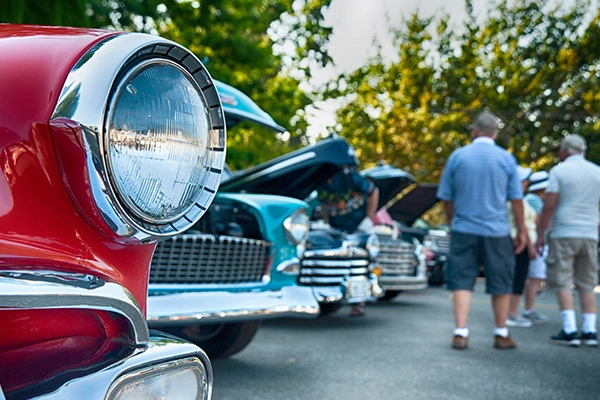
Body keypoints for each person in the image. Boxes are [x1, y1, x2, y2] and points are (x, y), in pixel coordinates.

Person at [437, 111, 528, 350]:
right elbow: (516, 200)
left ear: (474, 131)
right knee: (501, 282)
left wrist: (452, 220)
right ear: (495, 134)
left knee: (462, 281)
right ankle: (501, 332)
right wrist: (522, 231)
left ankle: (460, 332)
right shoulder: (506, 159)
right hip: (497, 232)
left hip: (464, 228)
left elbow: (447, 197)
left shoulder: (457, 157)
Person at [536, 134, 600, 347]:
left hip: (564, 231)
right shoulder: (597, 172)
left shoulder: (558, 171)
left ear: (565, 151)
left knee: (562, 280)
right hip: (590, 233)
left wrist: (540, 233)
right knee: (587, 283)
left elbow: (550, 204)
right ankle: (590, 330)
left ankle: (569, 328)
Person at [317, 165, 380, 317]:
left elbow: (374, 191)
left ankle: (360, 303)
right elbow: (323, 204)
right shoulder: (319, 181)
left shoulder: (349, 176)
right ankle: (333, 299)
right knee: (337, 262)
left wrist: (370, 216)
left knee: (359, 264)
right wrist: (326, 221)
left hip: (358, 227)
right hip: (336, 229)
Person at [506, 167, 538, 328]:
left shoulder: (521, 200)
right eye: (524, 180)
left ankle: (512, 311)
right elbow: (522, 224)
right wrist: (530, 245)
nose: (526, 183)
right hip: (520, 242)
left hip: (521, 241)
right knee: (518, 278)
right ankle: (511, 313)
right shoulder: (516, 201)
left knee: (519, 277)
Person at [521, 171, 550, 323]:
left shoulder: (532, 199)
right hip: (537, 242)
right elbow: (540, 222)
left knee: (535, 277)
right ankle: (529, 309)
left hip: (535, 242)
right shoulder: (534, 201)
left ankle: (529, 308)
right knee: (536, 277)